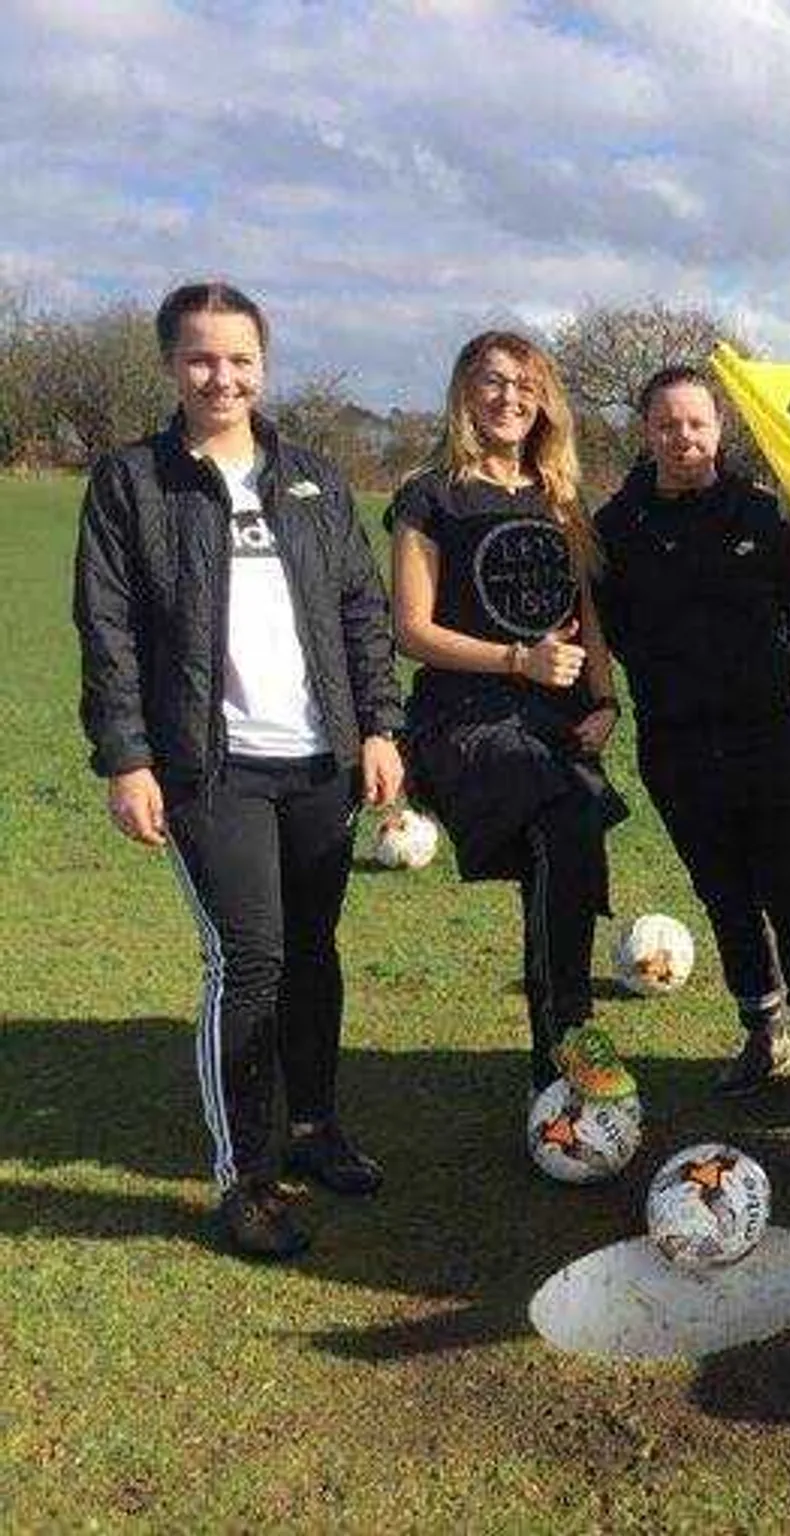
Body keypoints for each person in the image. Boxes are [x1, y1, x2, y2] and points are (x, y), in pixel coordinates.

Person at [74, 280, 405, 1258]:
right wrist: (128, 759)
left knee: (314, 949)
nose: (223, 376)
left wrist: (379, 727)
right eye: (201, 358)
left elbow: (360, 612)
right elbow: (109, 632)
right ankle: (247, 1176)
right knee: (248, 960)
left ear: (265, 365)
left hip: (319, 763)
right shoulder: (132, 482)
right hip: (207, 769)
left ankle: (314, 1129)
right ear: (172, 366)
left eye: (240, 359)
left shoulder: (311, 478)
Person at [592, 366, 790, 1114]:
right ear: (647, 432)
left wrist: (746, 680)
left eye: (697, 424)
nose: (683, 438)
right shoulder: (616, 527)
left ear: (719, 429)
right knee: (724, 897)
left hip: (769, 742)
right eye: (667, 425)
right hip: (675, 748)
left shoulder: (764, 514)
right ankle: (763, 1032)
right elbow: (611, 626)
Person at [387, 331, 630, 1110]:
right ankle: (573, 1035)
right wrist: (515, 660)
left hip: (555, 719)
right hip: (468, 718)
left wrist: (604, 701)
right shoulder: (431, 495)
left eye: (526, 384)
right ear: (464, 392)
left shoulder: (560, 495)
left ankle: (553, 1065)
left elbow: (588, 612)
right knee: (568, 814)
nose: (509, 398)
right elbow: (410, 630)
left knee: (556, 866)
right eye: (492, 382)